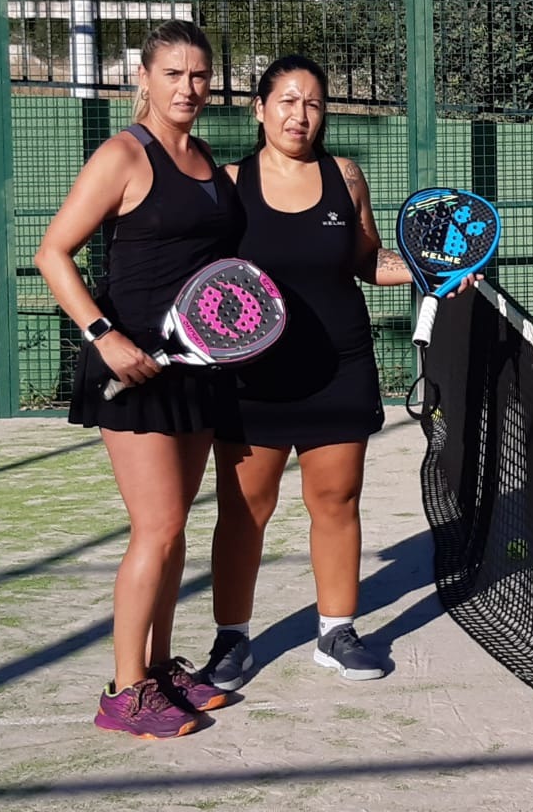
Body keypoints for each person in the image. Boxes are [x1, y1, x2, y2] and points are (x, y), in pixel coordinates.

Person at [34, 19, 242, 739]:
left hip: (195, 367)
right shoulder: (122, 154)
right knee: (155, 528)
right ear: (143, 79)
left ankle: (156, 669)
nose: (188, 87)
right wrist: (105, 336)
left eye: (199, 75)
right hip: (132, 372)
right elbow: (53, 252)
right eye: (173, 74)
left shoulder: (206, 158)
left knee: (175, 528)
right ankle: (124, 694)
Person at [198, 55, 413, 692]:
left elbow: (368, 260)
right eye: (287, 102)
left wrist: (431, 270)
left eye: (313, 104)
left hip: (340, 367)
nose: (300, 115)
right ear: (259, 109)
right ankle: (232, 639)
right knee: (244, 510)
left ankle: (337, 631)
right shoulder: (229, 183)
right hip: (252, 378)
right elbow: (207, 278)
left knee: (336, 501)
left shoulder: (345, 176)